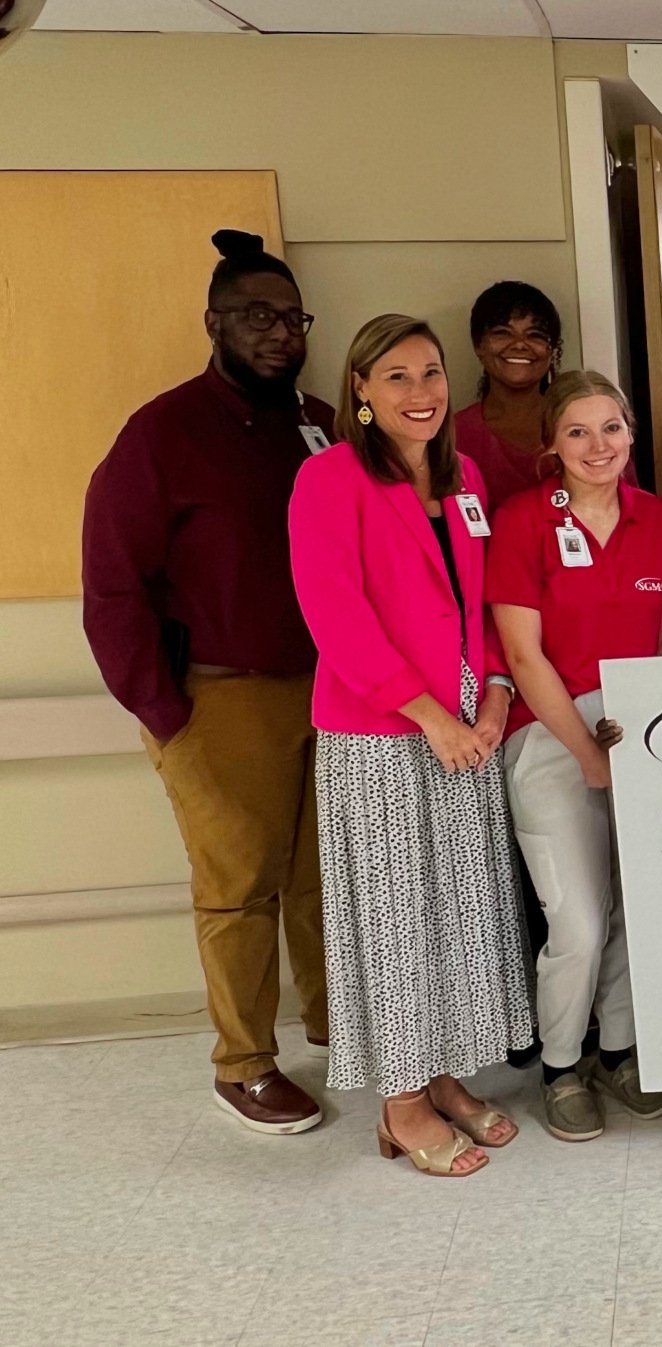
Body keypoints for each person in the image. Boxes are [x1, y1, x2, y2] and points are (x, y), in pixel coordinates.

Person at [81, 229, 331, 1135]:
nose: (279, 333)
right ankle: (244, 1062)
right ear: (214, 323)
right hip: (218, 698)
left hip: (327, 689)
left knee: (317, 879)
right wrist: (166, 711)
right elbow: (112, 587)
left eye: (292, 317)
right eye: (257, 316)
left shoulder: (314, 420)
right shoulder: (162, 434)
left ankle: (334, 1023)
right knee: (238, 883)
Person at [289, 314, 535, 1175]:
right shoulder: (327, 480)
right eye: (395, 376)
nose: (420, 392)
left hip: (468, 729)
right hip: (385, 734)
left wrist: (498, 693)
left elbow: (484, 601)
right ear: (359, 388)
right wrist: (430, 714)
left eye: (430, 373)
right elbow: (336, 617)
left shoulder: (464, 476)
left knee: (454, 913)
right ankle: (399, 1103)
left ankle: (439, 1073)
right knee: (396, 919)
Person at [489, 371, 662, 1141]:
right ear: (552, 443)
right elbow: (523, 653)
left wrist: (648, 735)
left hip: (641, 726)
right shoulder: (522, 522)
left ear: (631, 435)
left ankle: (620, 1049)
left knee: (636, 908)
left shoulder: (658, 521)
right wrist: (587, 755)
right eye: (577, 431)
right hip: (549, 734)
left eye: (611, 428)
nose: (596, 445)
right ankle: (562, 1063)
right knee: (575, 918)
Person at [454, 280, 564, 510]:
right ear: (478, 345)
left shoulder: (584, 426)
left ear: (552, 350)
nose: (520, 345)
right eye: (502, 333)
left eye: (535, 335)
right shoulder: (452, 436)